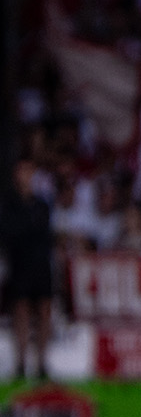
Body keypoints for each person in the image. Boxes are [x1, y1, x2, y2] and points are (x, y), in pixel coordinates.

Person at [1, 161, 56, 380]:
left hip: (40, 263)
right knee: (21, 311)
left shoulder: (41, 204)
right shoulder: (10, 203)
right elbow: (10, 232)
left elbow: (45, 232)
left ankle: (42, 363)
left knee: (44, 310)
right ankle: (21, 363)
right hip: (19, 263)